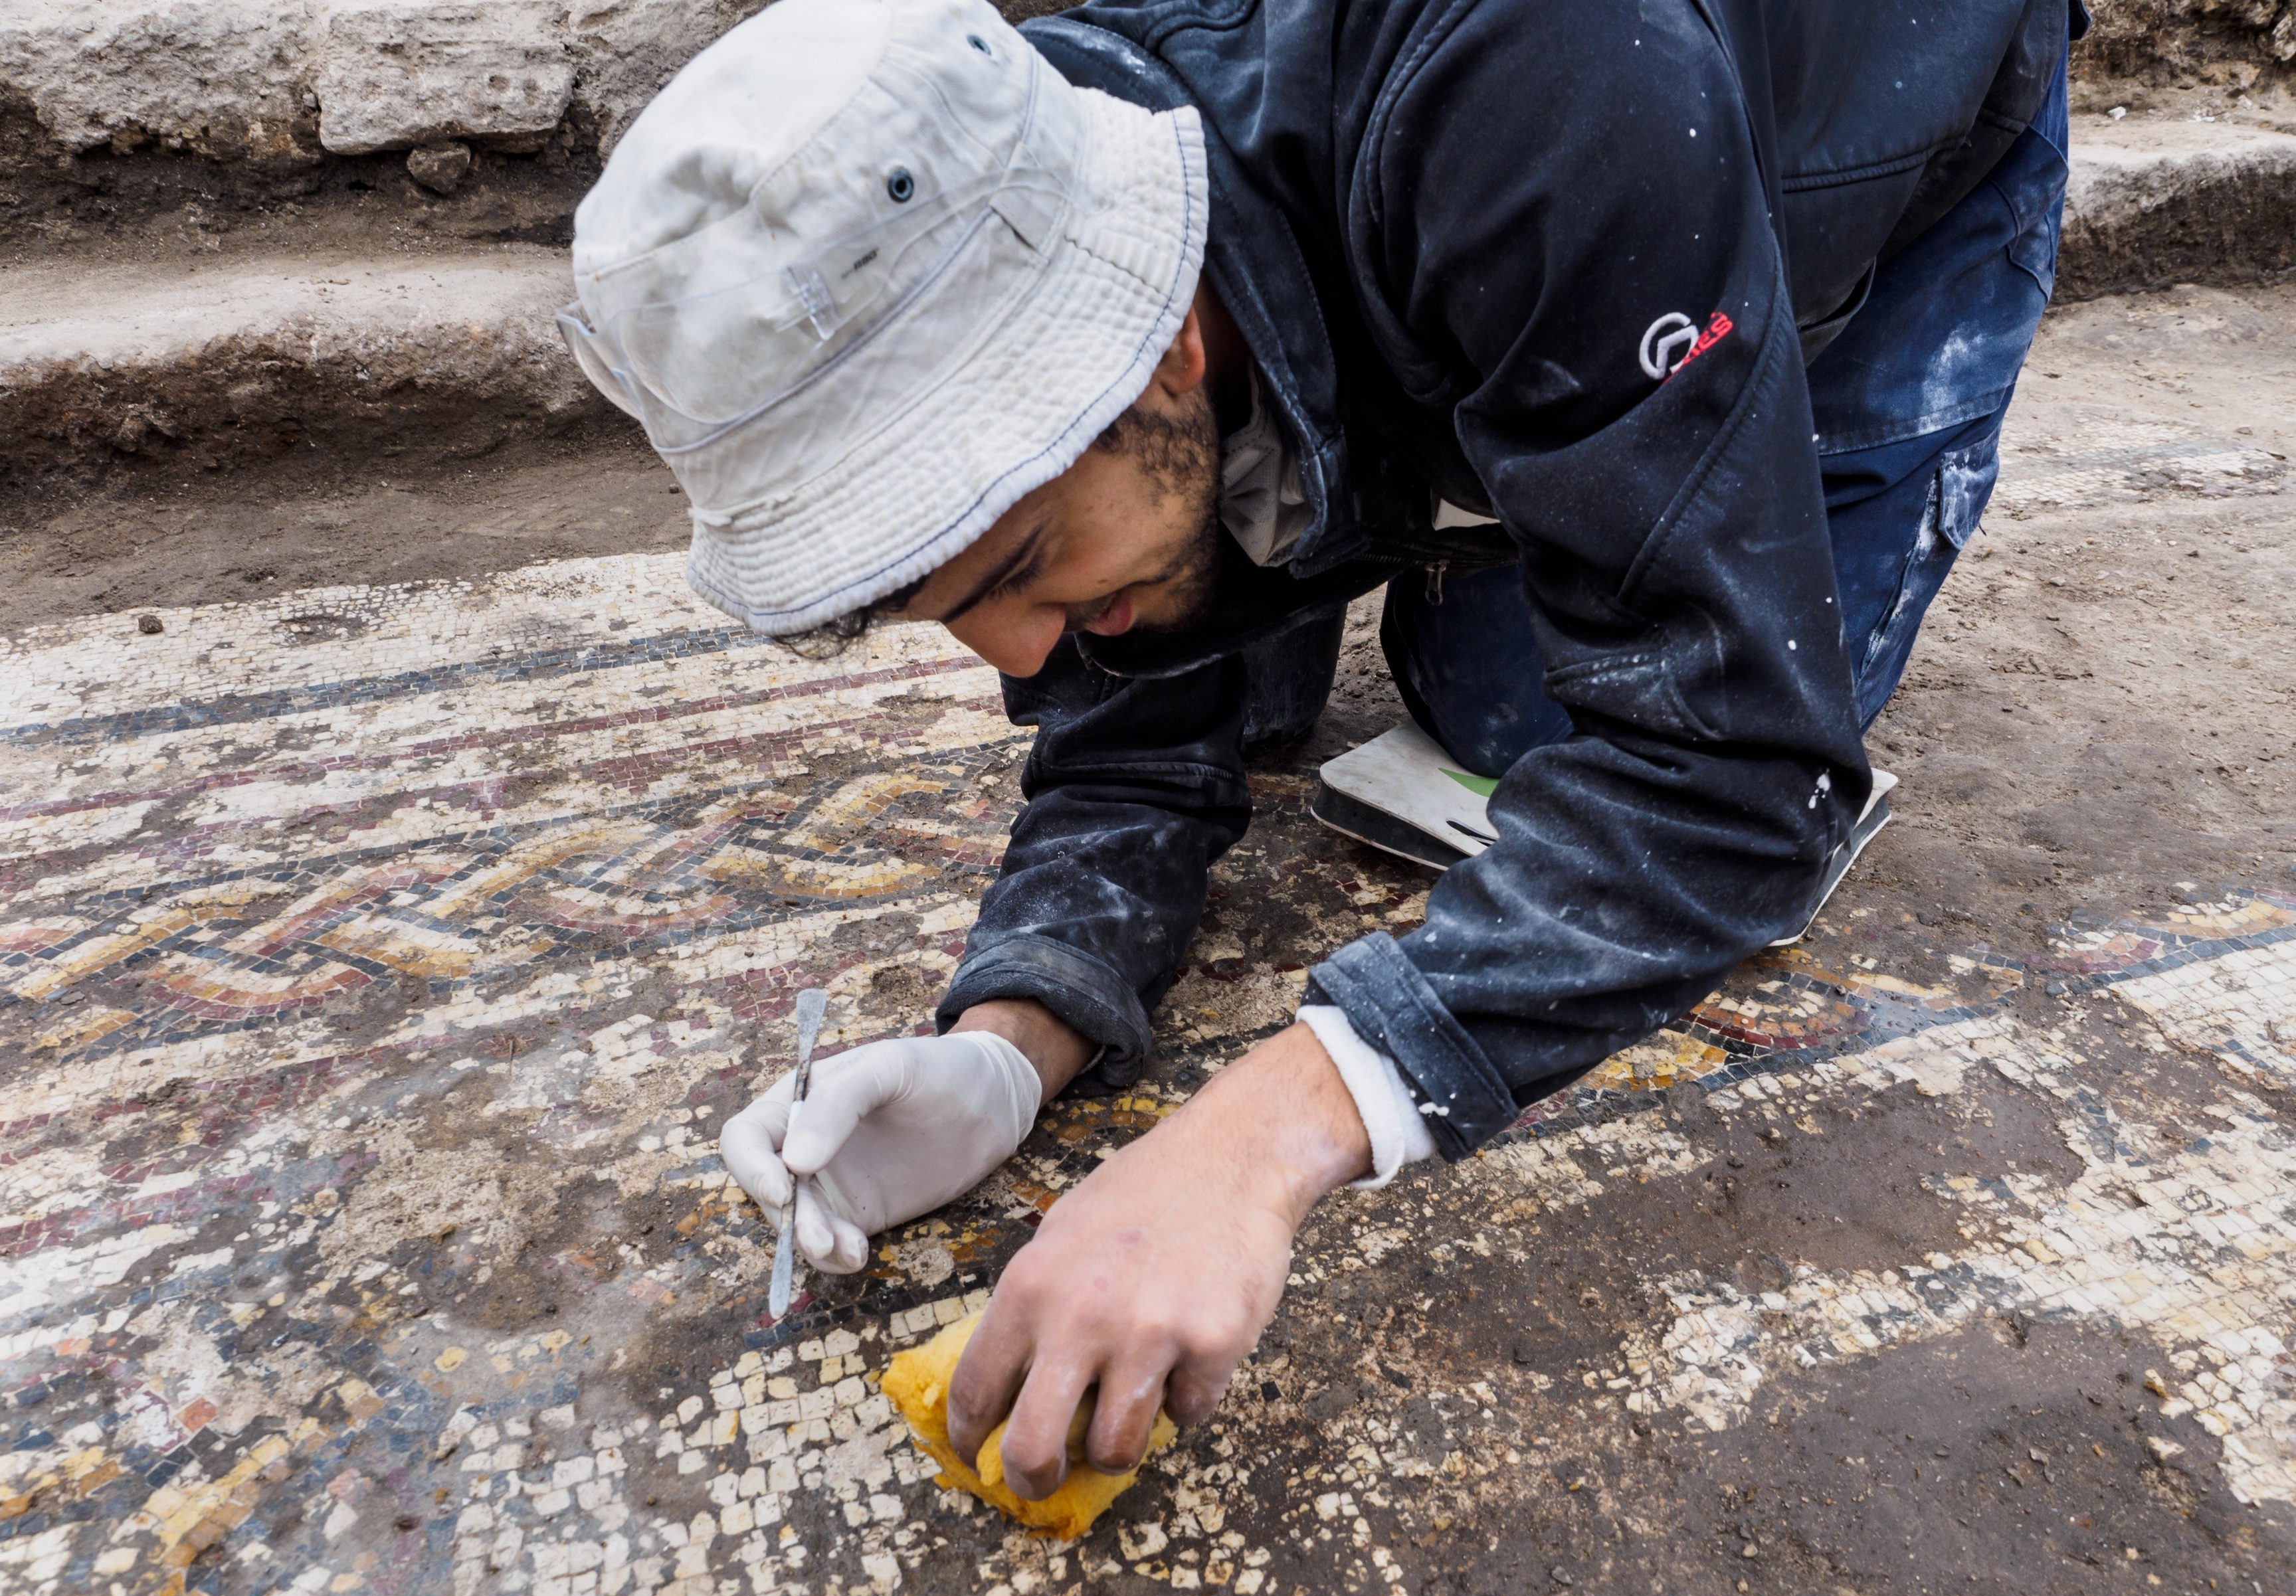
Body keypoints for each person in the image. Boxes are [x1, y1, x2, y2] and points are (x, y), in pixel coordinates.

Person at [561, 0, 2083, 1502]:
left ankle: (1582, 397)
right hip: (1480, 206)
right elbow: (1128, 728)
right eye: (937, 601)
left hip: (1878, 126)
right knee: (1213, 595)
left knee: (1539, 712)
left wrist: (1261, 1136)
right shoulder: (1035, 156)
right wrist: (1006, 1050)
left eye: (1015, 556)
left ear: (1159, 339)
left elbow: (1736, 773)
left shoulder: (1541, 91)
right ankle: (1463, 429)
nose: (1021, 658)